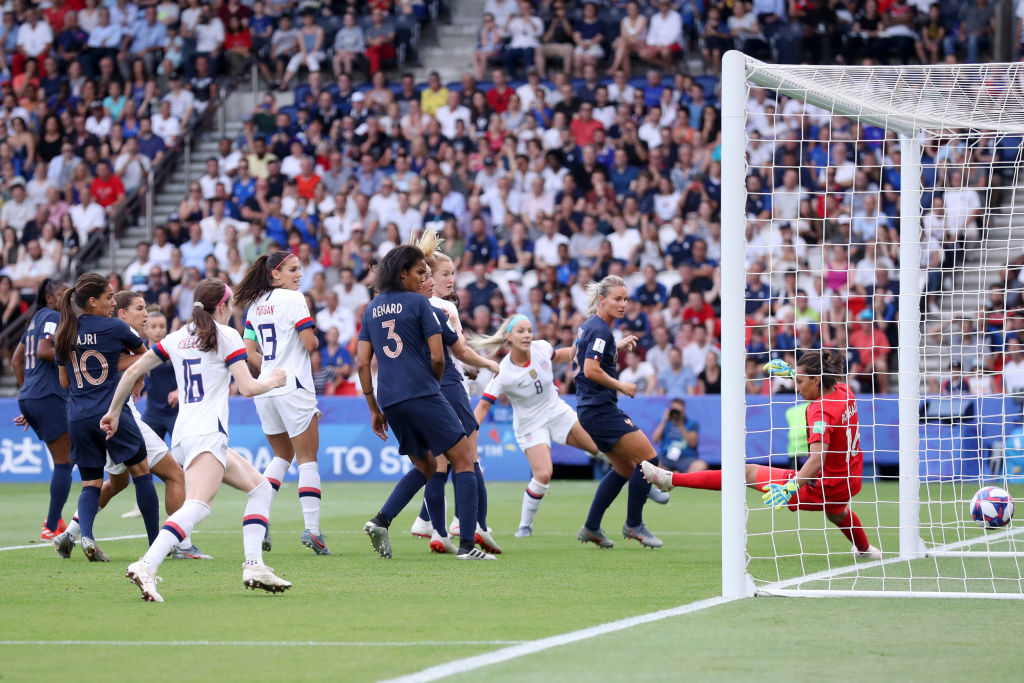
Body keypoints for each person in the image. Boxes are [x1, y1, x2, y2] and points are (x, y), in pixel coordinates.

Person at [102, 279, 291, 602]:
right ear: (222, 306)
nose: (232, 311)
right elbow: (247, 388)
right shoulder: (226, 336)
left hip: (187, 434)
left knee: (260, 489)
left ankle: (255, 564)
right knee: (198, 506)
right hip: (206, 434)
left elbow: (132, 373)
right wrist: (272, 380)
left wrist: (114, 413)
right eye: (230, 305)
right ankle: (146, 564)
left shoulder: (176, 338)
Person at [642, 353, 883, 560]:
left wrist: (789, 487)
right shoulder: (844, 391)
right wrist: (791, 373)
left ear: (816, 380)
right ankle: (865, 549)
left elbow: (817, 459)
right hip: (850, 479)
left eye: (799, 382)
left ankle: (671, 480)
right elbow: (824, 383)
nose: (796, 388)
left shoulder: (819, 411)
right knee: (836, 511)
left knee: (745, 473)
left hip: (823, 485)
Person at [357, 245, 495, 560]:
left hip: (389, 399)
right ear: (402, 273)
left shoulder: (371, 309)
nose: (424, 278)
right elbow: (438, 356)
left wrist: (373, 408)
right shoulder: (420, 304)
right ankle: (466, 547)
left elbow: (363, 364)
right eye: (420, 272)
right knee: (464, 459)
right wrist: (431, 386)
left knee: (427, 465)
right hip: (422, 392)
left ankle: (381, 520)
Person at [55, 292, 208, 560]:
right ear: (121, 313)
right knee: (174, 475)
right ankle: (181, 544)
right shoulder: (117, 331)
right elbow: (117, 365)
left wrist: (138, 376)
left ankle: (71, 532)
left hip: (92, 416)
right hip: (121, 416)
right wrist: (139, 369)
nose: (145, 314)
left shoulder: (97, 332)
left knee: (116, 482)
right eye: (139, 309)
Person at [473, 314, 623, 537]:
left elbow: (563, 354)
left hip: (556, 411)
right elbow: (484, 406)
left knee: (598, 448)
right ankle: (525, 526)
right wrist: (469, 433)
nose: (527, 335)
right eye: (521, 331)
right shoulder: (503, 372)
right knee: (543, 474)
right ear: (509, 337)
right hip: (530, 425)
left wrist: (602, 349)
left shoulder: (542, 348)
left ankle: (638, 478)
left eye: (530, 330)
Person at [52, 273, 161, 561]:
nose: (113, 303)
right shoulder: (115, 328)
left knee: (91, 483)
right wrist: (127, 374)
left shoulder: (64, 332)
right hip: (112, 413)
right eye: (109, 297)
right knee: (141, 473)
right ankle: (155, 545)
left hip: (78, 417)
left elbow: (64, 383)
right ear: (93, 301)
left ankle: (85, 534)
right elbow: (145, 355)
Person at [405, 233, 502, 555]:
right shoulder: (443, 307)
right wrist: (485, 365)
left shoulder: (405, 305)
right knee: (467, 460)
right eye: (444, 274)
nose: (450, 279)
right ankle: (470, 528)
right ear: (427, 275)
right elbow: (456, 353)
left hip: (422, 390)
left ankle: (434, 527)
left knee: (438, 463)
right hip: (449, 388)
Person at [236, 251, 328, 555]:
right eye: (293, 269)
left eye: (299, 269)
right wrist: (312, 340)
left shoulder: (254, 306)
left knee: (281, 455)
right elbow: (309, 343)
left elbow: (249, 351)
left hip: (267, 387)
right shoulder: (294, 300)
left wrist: (271, 366)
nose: (299, 275)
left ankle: (258, 518)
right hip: (295, 386)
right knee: (307, 458)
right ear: (275, 274)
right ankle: (313, 530)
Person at [574, 275, 665, 549]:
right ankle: (633, 524)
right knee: (649, 459)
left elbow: (579, 360)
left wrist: (615, 346)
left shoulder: (593, 328)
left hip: (590, 410)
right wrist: (621, 385)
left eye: (625, 299)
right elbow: (590, 369)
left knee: (625, 467)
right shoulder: (601, 330)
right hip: (600, 410)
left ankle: (591, 527)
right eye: (617, 298)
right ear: (602, 300)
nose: (623, 304)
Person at [12, 279, 72, 541]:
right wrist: (75, 354)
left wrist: (28, 393)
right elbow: (44, 350)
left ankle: (55, 519)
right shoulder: (53, 316)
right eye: (63, 295)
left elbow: (17, 358)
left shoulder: (36, 318)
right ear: (50, 297)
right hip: (47, 396)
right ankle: (50, 525)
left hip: (31, 397)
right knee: (65, 462)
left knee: (64, 459)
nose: (67, 300)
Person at [140, 310, 178, 440]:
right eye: (154, 327)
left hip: (176, 411)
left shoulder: (174, 348)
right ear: (146, 329)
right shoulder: (140, 350)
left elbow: (187, 373)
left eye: (162, 326)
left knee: (184, 454)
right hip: (152, 412)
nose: (158, 330)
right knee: (147, 452)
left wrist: (179, 391)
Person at [651, 397, 707, 473]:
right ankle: (672, 475)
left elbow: (692, 443)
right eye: (673, 410)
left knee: (701, 465)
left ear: (684, 411)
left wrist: (680, 424)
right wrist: (664, 420)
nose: (675, 413)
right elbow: (655, 439)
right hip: (666, 457)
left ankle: (677, 477)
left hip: (686, 457)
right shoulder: (664, 422)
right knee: (651, 465)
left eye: (678, 411)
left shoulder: (692, 423)